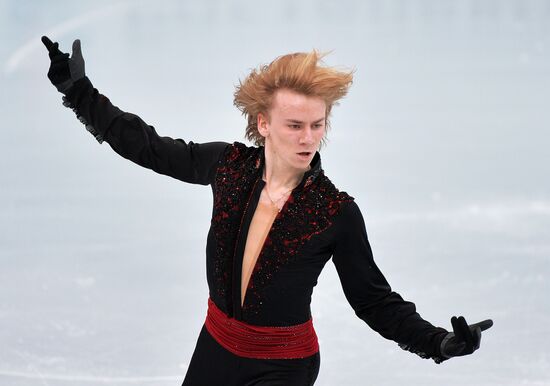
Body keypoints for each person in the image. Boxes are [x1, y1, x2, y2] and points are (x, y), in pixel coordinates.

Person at [41, 36, 493, 386]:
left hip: (285, 367)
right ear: (264, 124)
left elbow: (373, 300)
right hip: (216, 348)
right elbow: (149, 148)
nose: (307, 138)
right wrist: (78, 91)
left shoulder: (335, 212)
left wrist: (439, 342)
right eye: (294, 125)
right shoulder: (229, 167)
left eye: (317, 126)